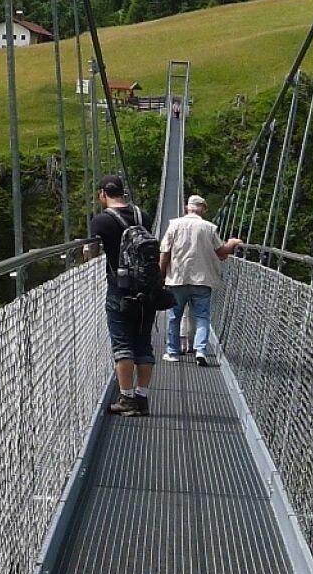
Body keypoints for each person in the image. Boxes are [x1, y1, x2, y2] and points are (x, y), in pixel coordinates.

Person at [86, 174, 162, 416]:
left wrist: (87, 250)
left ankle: (126, 399)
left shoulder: (101, 221)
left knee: (123, 345)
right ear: (122, 192)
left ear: (102, 193)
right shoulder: (144, 216)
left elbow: (92, 254)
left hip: (119, 290)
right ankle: (142, 397)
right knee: (143, 343)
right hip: (147, 290)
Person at [159, 193, 244, 364]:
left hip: (177, 279)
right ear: (203, 210)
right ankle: (200, 351)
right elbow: (221, 253)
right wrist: (232, 243)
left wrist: (160, 276)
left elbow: (165, 253)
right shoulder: (209, 228)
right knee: (202, 317)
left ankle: (173, 352)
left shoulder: (174, 225)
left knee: (175, 317)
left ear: (187, 208)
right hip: (202, 281)